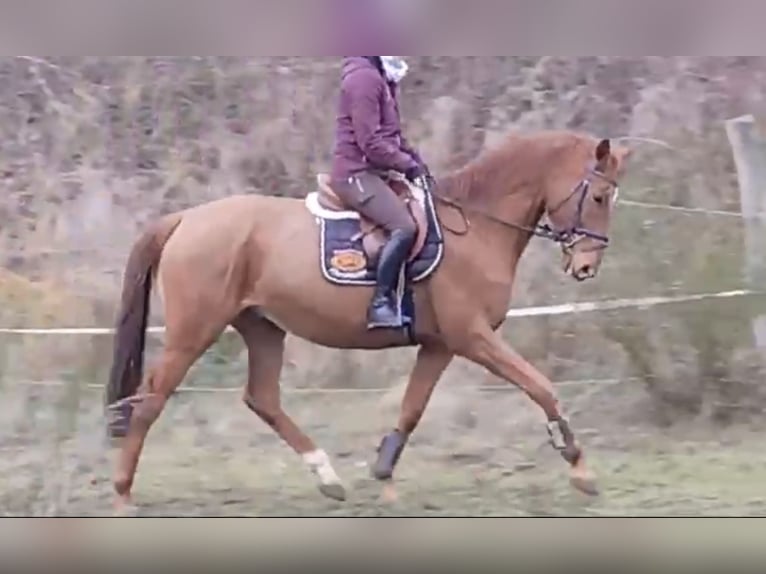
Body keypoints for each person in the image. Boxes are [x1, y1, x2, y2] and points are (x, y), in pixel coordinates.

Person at [329, 56, 430, 331]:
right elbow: (370, 142)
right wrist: (406, 165)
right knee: (404, 226)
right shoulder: (365, 79)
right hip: (355, 173)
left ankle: (408, 296)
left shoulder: (383, 78)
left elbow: (392, 136)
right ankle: (380, 304)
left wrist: (416, 161)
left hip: (375, 171)